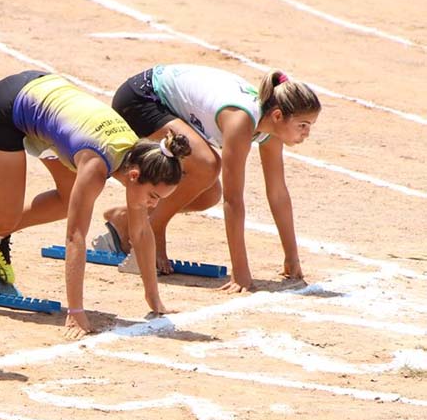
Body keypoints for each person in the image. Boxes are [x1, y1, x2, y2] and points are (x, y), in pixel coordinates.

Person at [0, 71, 191, 339]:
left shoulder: (139, 156)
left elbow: (141, 231)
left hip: (44, 97)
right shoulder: (96, 166)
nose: (152, 204)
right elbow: (75, 236)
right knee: (2, 217)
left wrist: (154, 300)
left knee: (66, 202)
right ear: (134, 176)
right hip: (8, 107)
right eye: (153, 196)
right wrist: (75, 312)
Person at [101, 64, 321, 293]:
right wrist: (240, 272)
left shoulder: (270, 128)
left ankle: (126, 218)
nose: (307, 133)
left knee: (209, 195)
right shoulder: (241, 121)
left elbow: (277, 193)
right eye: (302, 125)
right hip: (141, 99)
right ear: (277, 115)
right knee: (207, 165)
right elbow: (233, 200)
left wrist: (292, 257)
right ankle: (153, 230)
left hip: (166, 105)